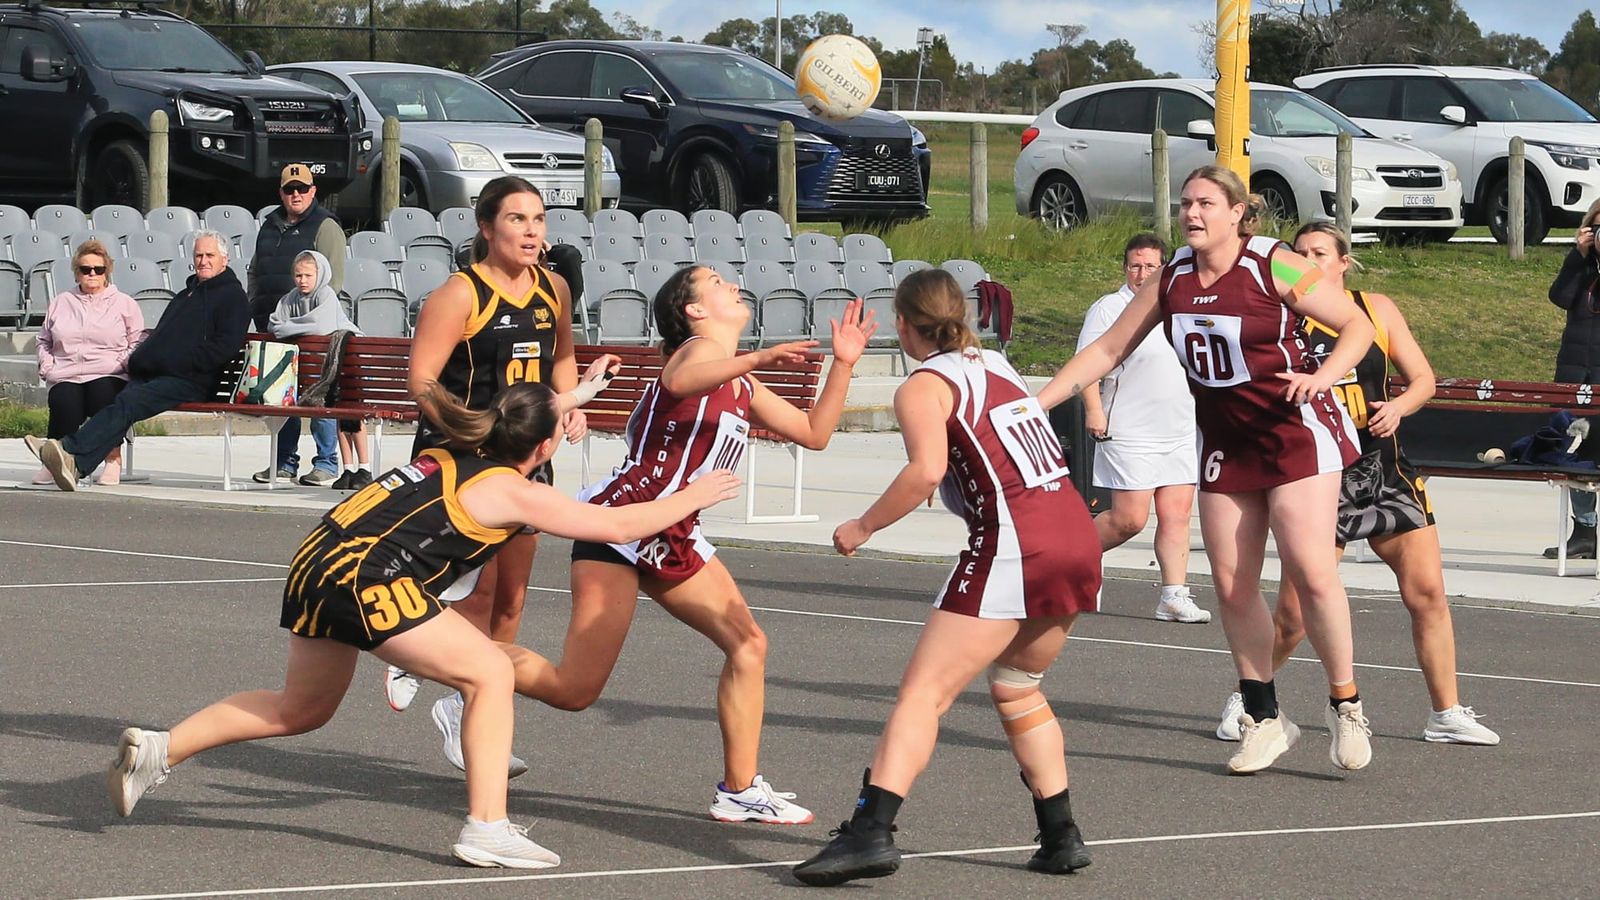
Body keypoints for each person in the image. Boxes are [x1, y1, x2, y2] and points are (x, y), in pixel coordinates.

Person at [104, 379, 742, 869]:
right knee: (490, 670)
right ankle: (487, 828)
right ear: (545, 448)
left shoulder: (452, 451)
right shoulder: (512, 490)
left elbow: (521, 416)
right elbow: (620, 526)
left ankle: (163, 748)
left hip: (315, 561)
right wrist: (695, 493)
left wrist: (571, 395)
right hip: (368, 577)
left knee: (299, 708)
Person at [490, 266, 874, 825]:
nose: (733, 283)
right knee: (574, 690)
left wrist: (843, 363)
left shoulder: (739, 379)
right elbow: (680, 384)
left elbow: (814, 432)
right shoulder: (693, 354)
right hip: (622, 522)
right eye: (716, 281)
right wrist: (759, 358)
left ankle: (740, 790)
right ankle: (445, 656)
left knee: (748, 644)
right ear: (694, 310)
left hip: (673, 531)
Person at [1037, 165, 1377, 775]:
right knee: (1231, 585)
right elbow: (1108, 348)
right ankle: (1265, 717)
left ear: (1238, 213)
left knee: (1310, 567)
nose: (1191, 214)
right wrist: (1036, 405)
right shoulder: (1171, 281)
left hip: (1296, 433)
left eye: (1205, 204)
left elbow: (1357, 325)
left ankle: (1345, 703)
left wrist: (1324, 376)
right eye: (1185, 204)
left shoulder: (1275, 263)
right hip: (1227, 441)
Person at [793, 269, 1101, 887]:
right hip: (1076, 535)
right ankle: (1060, 833)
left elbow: (925, 470)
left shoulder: (923, 386)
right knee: (1018, 685)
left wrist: (863, 525)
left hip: (1018, 543)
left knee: (922, 695)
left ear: (904, 325)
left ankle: (870, 833)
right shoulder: (997, 365)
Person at [1212, 222, 1499, 747]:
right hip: (1319, 472)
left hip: (1385, 469)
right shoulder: (1281, 316)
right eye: (1298, 252)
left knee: (1429, 593)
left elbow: (1424, 380)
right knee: (1295, 612)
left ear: (1343, 262)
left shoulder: (1374, 310)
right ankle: (1250, 695)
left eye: (1319, 252)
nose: (1307, 260)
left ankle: (1446, 712)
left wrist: (1399, 406)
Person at [388, 176, 589, 780]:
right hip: (462, 457)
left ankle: (468, 705)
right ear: (485, 228)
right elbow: (421, 380)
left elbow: (560, 359)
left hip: (527, 454)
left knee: (512, 595)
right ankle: (414, 647)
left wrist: (570, 403)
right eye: (518, 220)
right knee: (466, 585)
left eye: (539, 220)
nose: (533, 231)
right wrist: (472, 429)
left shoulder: (553, 287)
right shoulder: (458, 294)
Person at [27, 232, 249, 492]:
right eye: (198, 255)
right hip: (162, 374)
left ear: (225, 258)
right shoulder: (187, 294)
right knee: (121, 400)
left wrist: (178, 364)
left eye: (209, 255)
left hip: (192, 379)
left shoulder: (232, 297)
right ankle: (75, 464)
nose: (203, 261)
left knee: (128, 402)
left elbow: (224, 346)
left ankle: (67, 448)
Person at [1077, 233, 1205, 623]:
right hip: (1130, 431)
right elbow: (1086, 366)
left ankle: (1173, 595)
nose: (1141, 273)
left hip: (1180, 429)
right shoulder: (1109, 308)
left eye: (1150, 266)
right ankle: (1063, 559)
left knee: (1176, 516)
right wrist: (1094, 410)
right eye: (1135, 265)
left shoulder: (1182, 306)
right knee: (1129, 519)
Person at [251, 163, 349, 487]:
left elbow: (332, 281)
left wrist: (308, 320)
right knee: (283, 397)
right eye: (289, 189)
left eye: (302, 189)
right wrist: (256, 304)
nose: (296, 194)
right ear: (281, 193)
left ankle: (326, 462)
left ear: (313, 191)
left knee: (318, 396)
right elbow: (255, 270)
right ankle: (284, 462)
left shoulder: (326, 226)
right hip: (276, 325)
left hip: (313, 335)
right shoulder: (269, 224)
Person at [33, 240, 144, 487]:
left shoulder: (124, 303)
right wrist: (48, 367)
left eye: (98, 269)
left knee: (102, 395)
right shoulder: (61, 302)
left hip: (109, 371)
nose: (92, 274)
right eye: (86, 269)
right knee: (64, 399)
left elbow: (137, 341)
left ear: (107, 271)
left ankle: (112, 457)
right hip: (67, 370)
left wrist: (121, 364)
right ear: (77, 272)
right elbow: (43, 340)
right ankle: (54, 461)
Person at [256, 250, 366, 490]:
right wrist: (297, 328)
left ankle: (326, 464)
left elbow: (321, 325)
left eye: (308, 275)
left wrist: (290, 327)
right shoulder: (289, 299)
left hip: (330, 371)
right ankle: (285, 462)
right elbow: (274, 325)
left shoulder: (326, 295)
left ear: (320, 275)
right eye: (298, 275)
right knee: (286, 405)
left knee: (322, 407)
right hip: (300, 369)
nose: (302, 280)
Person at [1544, 199, 1600, 559]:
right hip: (1574, 371)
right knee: (1574, 453)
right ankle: (1585, 530)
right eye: (1597, 227)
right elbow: (1559, 297)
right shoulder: (1581, 266)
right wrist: (1577, 258)